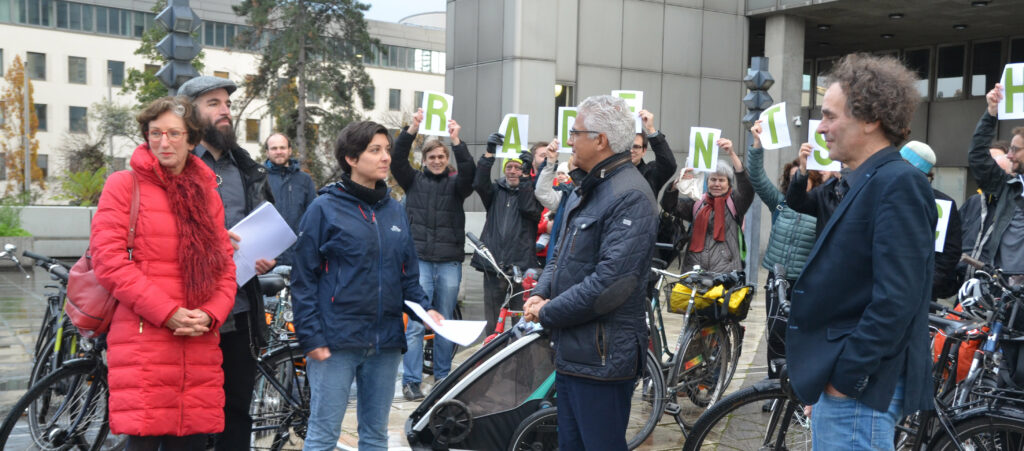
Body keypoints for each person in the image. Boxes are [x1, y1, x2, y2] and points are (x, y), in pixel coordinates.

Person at [786, 53, 936, 450]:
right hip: (844, 386)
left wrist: (845, 380)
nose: (821, 128)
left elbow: (896, 300)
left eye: (830, 116)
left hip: (858, 391)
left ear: (871, 119)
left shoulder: (898, 183)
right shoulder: (868, 180)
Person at [92, 97, 237, 450]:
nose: (164, 142)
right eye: (155, 133)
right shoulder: (124, 185)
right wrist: (168, 313)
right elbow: (108, 261)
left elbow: (225, 267)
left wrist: (212, 313)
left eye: (174, 133)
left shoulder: (207, 193)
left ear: (192, 140)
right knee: (144, 440)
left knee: (192, 442)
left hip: (198, 340)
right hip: (146, 342)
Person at [290, 121, 443, 451]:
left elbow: (407, 276)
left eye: (387, 149)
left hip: (385, 343)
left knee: (375, 436)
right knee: (322, 435)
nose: (385, 157)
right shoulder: (323, 209)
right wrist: (311, 337)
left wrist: (427, 309)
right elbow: (302, 280)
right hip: (335, 343)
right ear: (351, 158)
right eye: (375, 150)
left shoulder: (395, 211)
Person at [523, 95, 658, 450]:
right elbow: (560, 255)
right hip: (574, 352)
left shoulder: (630, 195)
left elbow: (610, 284)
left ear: (600, 140)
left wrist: (547, 312)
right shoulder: (586, 187)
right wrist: (541, 291)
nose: (569, 140)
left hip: (603, 359)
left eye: (575, 132)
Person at [177, 75, 276, 450]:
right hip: (190, 311)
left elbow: (267, 221)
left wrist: (265, 257)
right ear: (190, 112)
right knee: (190, 415)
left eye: (228, 104)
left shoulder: (245, 167)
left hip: (241, 310)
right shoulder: (177, 165)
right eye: (213, 103)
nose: (225, 111)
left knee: (236, 409)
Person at [391, 108, 474, 400]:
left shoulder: (457, 186)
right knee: (415, 324)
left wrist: (457, 141)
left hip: (449, 262)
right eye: (431, 157)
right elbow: (398, 158)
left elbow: (471, 172)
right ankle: (411, 380)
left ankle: (442, 377)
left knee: (445, 324)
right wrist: (412, 128)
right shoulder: (413, 181)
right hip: (420, 263)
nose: (437, 161)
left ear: (446, 159)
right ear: (424, 160)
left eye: (441, 157)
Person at [747, 119, 819, 379]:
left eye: (802, 176)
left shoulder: (820, 209)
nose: (797, 181)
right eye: (792, 178)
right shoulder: (779, 204)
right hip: (777, 280)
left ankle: (797, 386)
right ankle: (774, 385)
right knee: (776, 332)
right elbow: (756, 177)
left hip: (805, 281)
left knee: (801, 335)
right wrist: (756, 143)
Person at [472, 133, 544, 333]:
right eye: (509, 167)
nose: (513, 171)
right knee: (492, 322)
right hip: (494, 266)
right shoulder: (494, 192)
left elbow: (529, 209)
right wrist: (489, 154)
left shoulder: (531, 192)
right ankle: (491, 357)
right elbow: (479, 182)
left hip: (521, 268)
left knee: (521, 322)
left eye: (518, 168)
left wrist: (526, 179)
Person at [660, 138, 753, 273]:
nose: (716, 184)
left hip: (725, 275)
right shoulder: (698, 202)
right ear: (707, 182)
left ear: (729, 184)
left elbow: (747, 188)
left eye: (721, 180)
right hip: (693, 272)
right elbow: (669, 206)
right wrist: (676, 184)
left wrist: (732, 154)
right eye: (713, 179)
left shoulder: (736, 202)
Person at [966, 83, 1024, 273]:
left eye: (1015, 150)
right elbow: (978, 158)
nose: (1009, 155)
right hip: (1004, 289)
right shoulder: (1008, 187)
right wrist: (991, 114)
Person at [899, 140, 962, 300]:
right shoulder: (884, 193)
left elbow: (948, 253)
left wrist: (925, 285)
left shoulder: (942, 204)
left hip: (919, 294)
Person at [263, 132, 317, 268]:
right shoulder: (258, 179)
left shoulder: (304, 180)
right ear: (267, 152)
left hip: (298, 258)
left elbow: (313, 219)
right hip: (267, 261)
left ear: (290, 150)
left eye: (282, 148)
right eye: (274, 148)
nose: (279, 152)